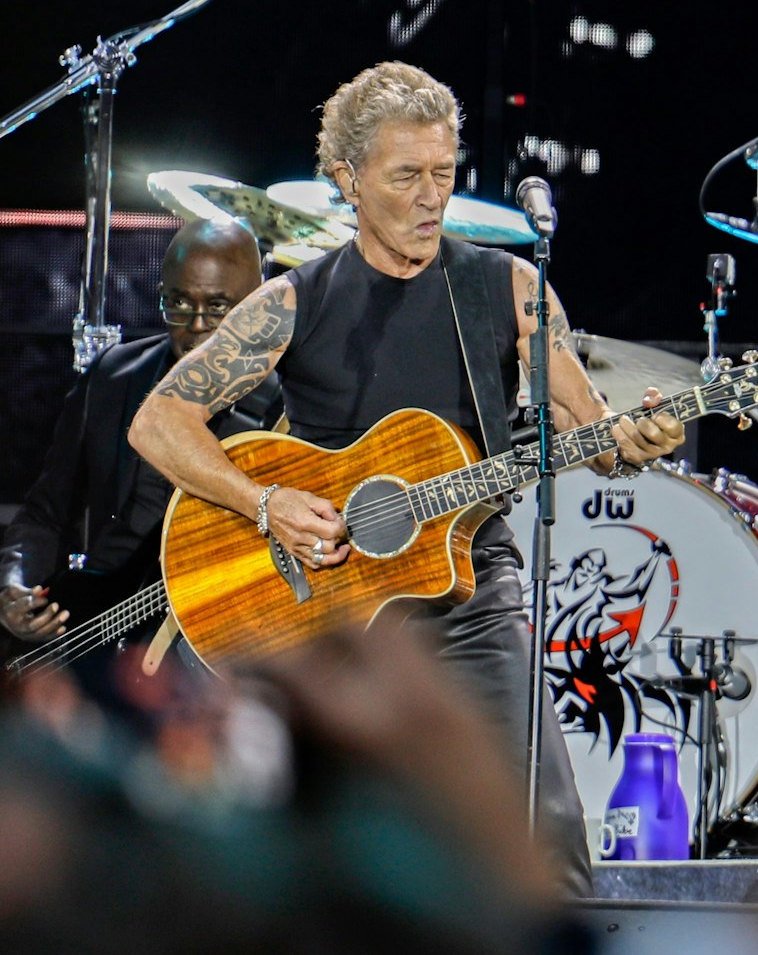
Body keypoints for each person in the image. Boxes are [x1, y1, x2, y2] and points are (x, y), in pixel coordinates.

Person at [128, 61, 684, 894]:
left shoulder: (509, 287)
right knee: (307, 869)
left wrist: (638, 439)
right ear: (348, 180)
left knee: (549, 845)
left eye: (444, 174)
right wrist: (266, 502)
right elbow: (157, 420)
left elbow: (592, 432)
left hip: (469, 599)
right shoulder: (295, 301)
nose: (433, 198)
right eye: (407, 176)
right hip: (331, 616)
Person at [1, 220, 274, 659]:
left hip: (219, 641)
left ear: (256, 306)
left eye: (219, 307)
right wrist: (14, 586)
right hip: (93, 627)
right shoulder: (114, 376)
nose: (197, 327)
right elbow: (46, 513)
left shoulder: (288, 406)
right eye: (180, 303)